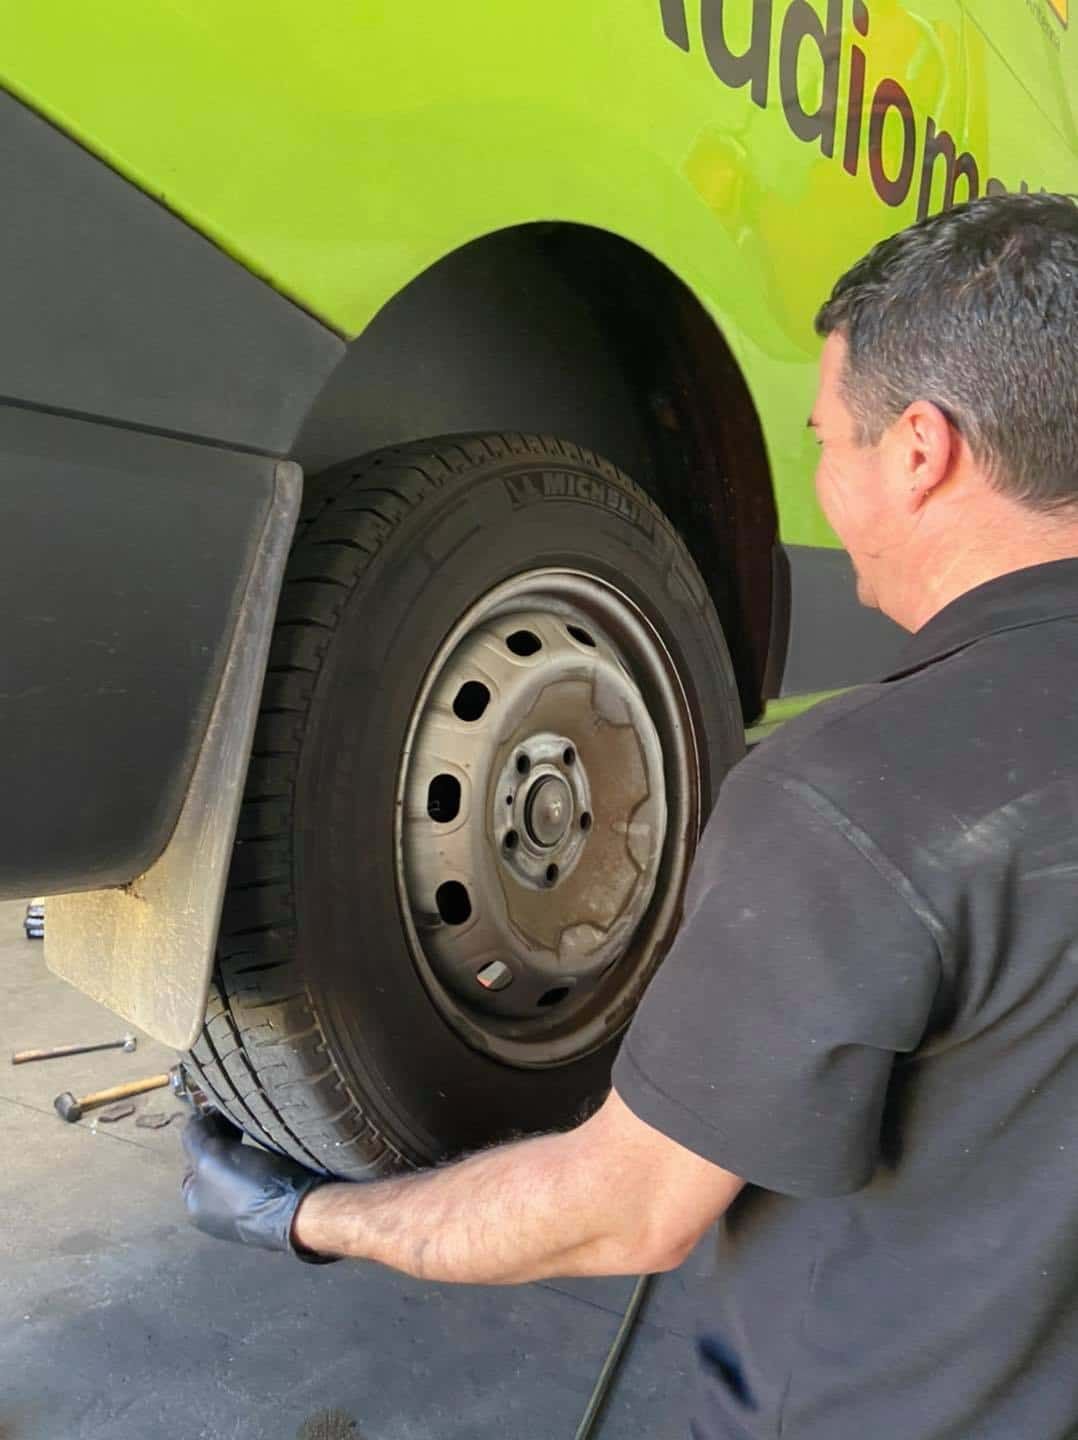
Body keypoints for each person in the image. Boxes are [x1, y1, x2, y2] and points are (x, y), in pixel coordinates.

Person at [183, 192, 1078, 1439]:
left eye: (825, 440)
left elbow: (625, 1211)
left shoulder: (861, 795)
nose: (820, 482)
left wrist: (308, 1215)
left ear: (920, 450)